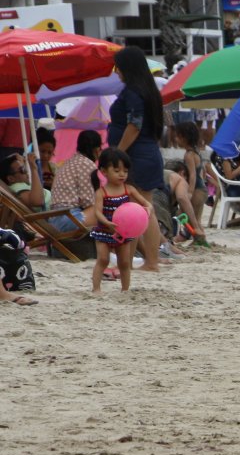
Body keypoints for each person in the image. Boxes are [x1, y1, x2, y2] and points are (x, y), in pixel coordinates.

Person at [109, 46, 166, 272]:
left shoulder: (133, 91)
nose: (116, 72)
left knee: (136, 209)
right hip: (147, 152)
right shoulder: (148, 90)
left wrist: (118, 154)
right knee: (141, 207)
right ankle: (142, 260)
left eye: (118, 67)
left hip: (136, 156)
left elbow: (134, 125)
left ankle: (148, 261)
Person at [90, 149, 152, 294]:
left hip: (123, 233)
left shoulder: (128, 189)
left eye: (125, 170)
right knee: (103, 260)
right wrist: (107, 222)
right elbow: (97, 212)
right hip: (104, 232)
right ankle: (96, 288)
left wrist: (147, 209)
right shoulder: (101, 192)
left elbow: (146, 203)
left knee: (124, 262)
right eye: (117, 170)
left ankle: (125, 290)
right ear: (104, 171)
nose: (122, 174)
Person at [48, 130, 102, 232]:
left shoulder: (68, 163)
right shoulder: (88, 164)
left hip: (54, 219)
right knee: (108, 211)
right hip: (69, 218)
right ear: (96, 149)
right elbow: (87, 201)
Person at [174, 122, 209, 245]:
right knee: (195, 217)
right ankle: (197, 239)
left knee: (187, 215)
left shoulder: (189, 155)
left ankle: (199, 239)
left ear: (184, 137)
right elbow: (203, 172)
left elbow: (193, 175)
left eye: (177, 136)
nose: (175, 139)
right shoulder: (196, 151)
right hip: (202, 188)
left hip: (197, 190)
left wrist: (189, 192)